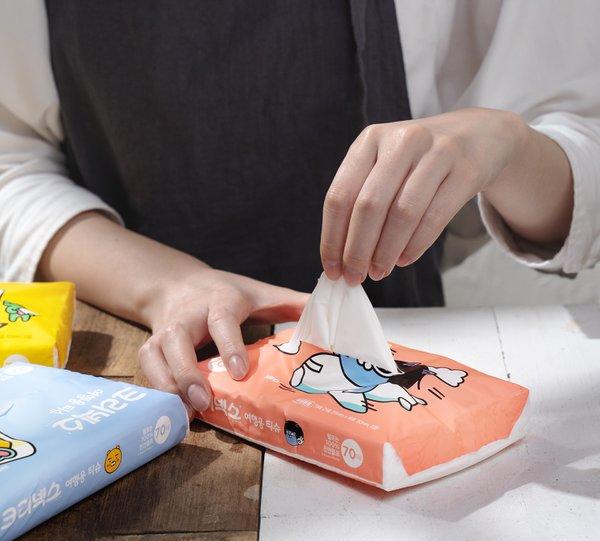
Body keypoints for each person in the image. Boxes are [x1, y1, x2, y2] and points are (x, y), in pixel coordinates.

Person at [1, 1, 599, 415]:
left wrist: (509, 144)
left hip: (391, 357)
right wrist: (170, 287)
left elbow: (584, 177)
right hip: (138, 374)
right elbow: (11, 164)